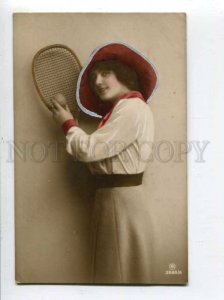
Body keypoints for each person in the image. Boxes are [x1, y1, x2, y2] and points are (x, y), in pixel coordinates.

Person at [51, 42, 158, 284]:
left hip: (121, 202)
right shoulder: (124, 109)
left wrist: (67, 123)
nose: (98, 81)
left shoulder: (132, 108)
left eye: (105, 73)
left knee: (119, 277)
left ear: (125, 75)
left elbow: (90, 150)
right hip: (112, 200)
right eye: (94, 77)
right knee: (117, 275)